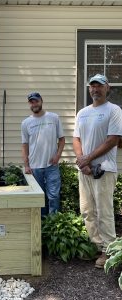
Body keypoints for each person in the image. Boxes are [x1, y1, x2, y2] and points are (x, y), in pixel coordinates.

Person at [73, 74, 122, 268]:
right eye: (92, 86)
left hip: (104, 169)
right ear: (89, 89)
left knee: (104, 211)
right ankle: (96, 245)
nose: (95, 89)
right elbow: (76, 138)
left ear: (107, 88)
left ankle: (109, 250)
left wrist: (88, 158)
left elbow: (113, 140)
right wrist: (82, 161)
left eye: (99, 86)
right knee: (87, 210)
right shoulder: (82, 112)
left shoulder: (114, 110)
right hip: (85, 170)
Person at [21, 92, 65, 215]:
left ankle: (54, 223)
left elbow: (62, 139)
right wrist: (26, 165)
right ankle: (42, 224)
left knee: (53, 196)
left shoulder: (54, 118)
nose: (34, 104)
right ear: (29, 104)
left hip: (52, 166)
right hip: (35, 167)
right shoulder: (25, 123)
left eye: (36, 101)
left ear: (41, 101)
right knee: (39, 198)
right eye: (31, 102)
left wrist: (58, 155)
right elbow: (24, 145)